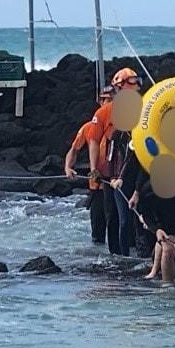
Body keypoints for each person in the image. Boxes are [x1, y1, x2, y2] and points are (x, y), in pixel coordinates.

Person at [100, 67, 143, 257]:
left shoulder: (140, 126)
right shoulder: (117, 133)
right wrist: (111, 178)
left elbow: (135, 155)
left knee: (139, 218)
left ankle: (139, 253)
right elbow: (112, 156)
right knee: (121, 219)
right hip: (119, 180)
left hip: (138, 177)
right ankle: (122, 255)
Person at [64, 87, 113, 245]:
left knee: (118, 226)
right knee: (97, 232)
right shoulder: (88, 127)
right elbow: (74, 150)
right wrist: (68, 167)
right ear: (100, 101)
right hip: (96, 185)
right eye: (106, 99)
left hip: (115, 183)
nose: (110, 103)